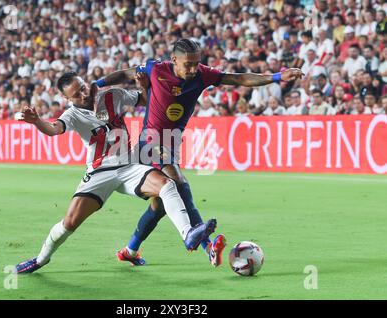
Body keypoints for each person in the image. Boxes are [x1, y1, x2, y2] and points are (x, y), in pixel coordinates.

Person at [93, 38, 303, 267]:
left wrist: (277, 77)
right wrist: (98, 83)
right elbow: (125, 74)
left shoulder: (203, 74)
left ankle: (130, 250)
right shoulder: (156, 69)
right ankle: (208, 246)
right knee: (179, 182)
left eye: (196, 63)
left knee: (159, 206)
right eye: (188, 64)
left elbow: (240, 78)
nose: (193, 70)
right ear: (174, 59)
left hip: (171, 142)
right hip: (149, 140)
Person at [14, 71, 217, 273]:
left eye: (83, 88)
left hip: (129, 166)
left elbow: (147, 100)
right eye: (76, 94)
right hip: (100, 172)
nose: (83, 95)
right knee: (69, 223)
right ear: (66, 99)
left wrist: (143, 85)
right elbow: (53, 129)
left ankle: (188, 234)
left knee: (167, 185)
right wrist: (37, 122)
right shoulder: (72, 115)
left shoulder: (112, 96)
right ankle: (41, 259)